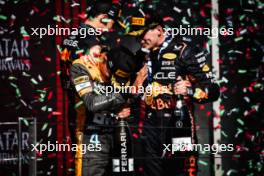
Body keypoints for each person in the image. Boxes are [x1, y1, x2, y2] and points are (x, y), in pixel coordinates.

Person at [138, 21, 220, 176]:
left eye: (143, 34)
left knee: (181, 171)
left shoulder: (185, 51)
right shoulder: (143, 55)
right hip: (150, 124)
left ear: (159, 30)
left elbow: (214, 91)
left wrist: (189, 90)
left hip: (179, 122)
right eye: (138, 35)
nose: (140, 39)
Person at [62, 0, 123, 175]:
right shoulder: (91, 43)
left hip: (80, 111)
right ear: (103, 18)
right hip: (89, 119)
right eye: (112, 23)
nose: (112, 28)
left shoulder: (71, 37)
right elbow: (100, 84)